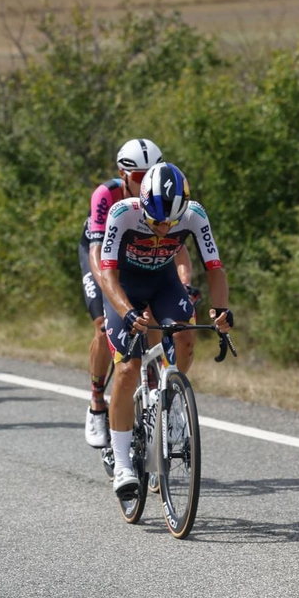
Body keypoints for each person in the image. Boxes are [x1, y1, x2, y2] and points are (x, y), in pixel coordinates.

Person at [95, 163, 232, 501]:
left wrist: (221, 310)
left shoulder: (195, 214)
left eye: (171, 222)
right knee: (127, 369)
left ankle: (169, 401)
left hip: (163, 283)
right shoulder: (122, 213)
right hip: (124, 284)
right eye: (156, 221)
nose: (162, 228)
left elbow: (215, 268)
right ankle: (124, 463)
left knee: (185, 337)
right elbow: (108, 275)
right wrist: (127, 312)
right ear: (141, 203)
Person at [79, 139, 197, 449]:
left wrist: (184, 284)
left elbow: (178, 249)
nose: (146, 181)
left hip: (146, 261)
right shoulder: (107, 195)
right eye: (138, 176)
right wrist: (112, 294)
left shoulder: (161, 198)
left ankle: (156, 389)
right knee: (105, 323)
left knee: (157, 320)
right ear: (123, 173)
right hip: (102, 255)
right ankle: (96, 401)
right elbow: (97, 255)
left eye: (150, 174)